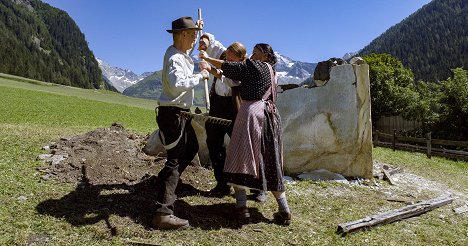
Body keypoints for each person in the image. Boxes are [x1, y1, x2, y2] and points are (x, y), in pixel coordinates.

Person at [199, 43, 291, 225]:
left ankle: (241, 208)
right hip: (270, 117)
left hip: (252, 114)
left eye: (256, 53)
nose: (252, 56)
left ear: (265, 55)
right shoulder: (270, 72)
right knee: (269, 160)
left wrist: (206, 58)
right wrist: (211, 70)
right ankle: (284, 210)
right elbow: (232, 80)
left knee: (239, 157)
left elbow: (230, 67)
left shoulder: (256, 66)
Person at [152, 16, 210, 230]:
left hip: (181, 114)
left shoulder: (180, 54)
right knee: (175, 160)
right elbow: (177, 85)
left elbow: (191, 52)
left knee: (192, 147)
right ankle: (163, 212)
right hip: (173, 114)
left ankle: (165, 182)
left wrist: (199, 28)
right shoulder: (175, 58)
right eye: (193, 36)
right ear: (183, 35)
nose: (195, 40)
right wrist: (201, 76)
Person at [200, 37, 268, 201]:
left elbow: (229, 79)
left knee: (247, 146)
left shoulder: (246, 69)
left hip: (235, 108)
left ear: (241, 59)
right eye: (227, 57)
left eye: (232, 59)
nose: (228, 60)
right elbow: (211, 40)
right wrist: (204, 41)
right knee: (214, 143)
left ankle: (259, 188)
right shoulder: (223, 55)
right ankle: (222, 184)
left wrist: (209, 67)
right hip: (217, 105)